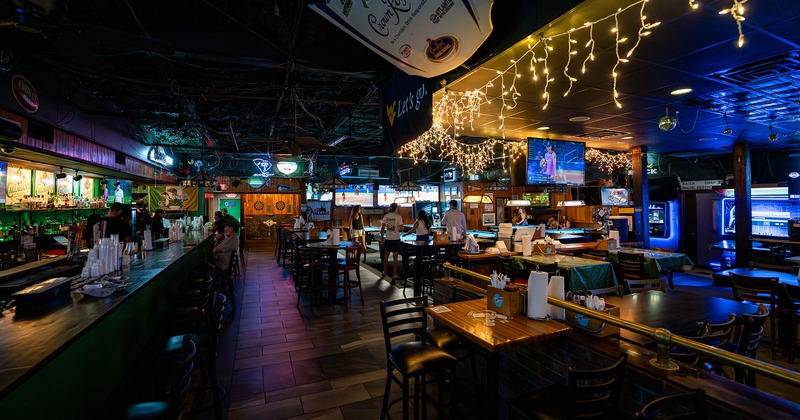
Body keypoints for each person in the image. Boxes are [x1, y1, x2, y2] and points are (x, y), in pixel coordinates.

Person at [380, 202, 403, 280]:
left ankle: (384, 272)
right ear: (396, 208)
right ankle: (394, 274)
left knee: (386, 256)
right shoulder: (399, 217)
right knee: (395, 258)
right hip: (396, 239)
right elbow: (401, 229)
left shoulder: (386, 216)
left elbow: (382, 228)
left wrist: (382, 238)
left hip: (388, 238)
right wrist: (399, 229)